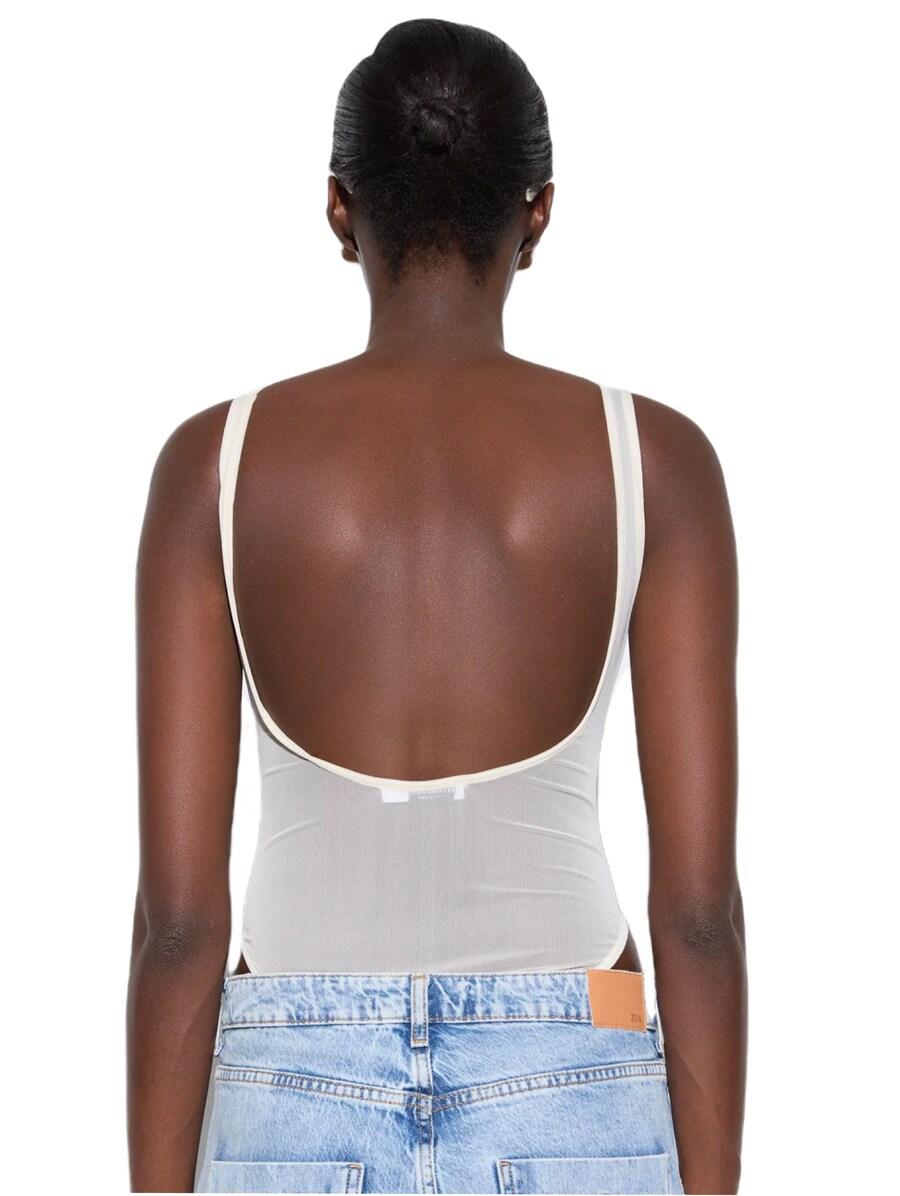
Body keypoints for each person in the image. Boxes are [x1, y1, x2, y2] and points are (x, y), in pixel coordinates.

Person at [127, 18, 746, 1195]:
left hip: (293, 1079)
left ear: (339, 207)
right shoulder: (653, 462)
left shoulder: (215, 466)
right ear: (538, 212)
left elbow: (179, 922)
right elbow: (701, 911)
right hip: (575, 1063)